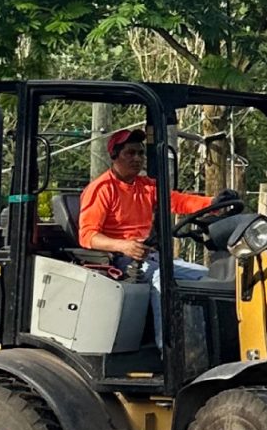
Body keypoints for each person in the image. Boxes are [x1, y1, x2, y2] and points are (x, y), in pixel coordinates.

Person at [78, 127, 214, 335]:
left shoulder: (146, 186)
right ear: (114, 156)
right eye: (129, 153)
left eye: (140, 153)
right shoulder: (102, 189)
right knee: (162, 277)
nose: (137, 158)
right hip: (119, 260)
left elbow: (178, 201)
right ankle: (169, 347)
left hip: (150, 256)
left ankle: (201, 336)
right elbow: (87, 236)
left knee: (206, 275)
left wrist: (214, 203)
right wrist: (123, 246)